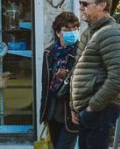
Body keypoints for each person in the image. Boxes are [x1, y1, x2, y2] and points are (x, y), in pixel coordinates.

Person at [70, 0, 120, 149]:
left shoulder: (112, 33)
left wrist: (91, 108)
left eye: (85, 3)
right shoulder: (89, 32)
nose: (80, 7)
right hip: (88, 110)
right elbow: (78, 70)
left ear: (101, 6)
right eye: (80, 3)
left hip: (101, 110)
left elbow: (118, 78)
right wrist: (75, 106)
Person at [40, 12, 80, 149]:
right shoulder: (49, 53)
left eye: (75, 29)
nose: (72, 33)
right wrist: (44, 113)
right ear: (58, 32)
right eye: (67, 30)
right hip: (52, 111)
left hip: (71, 113)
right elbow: (45, 85)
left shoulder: (82, 52)